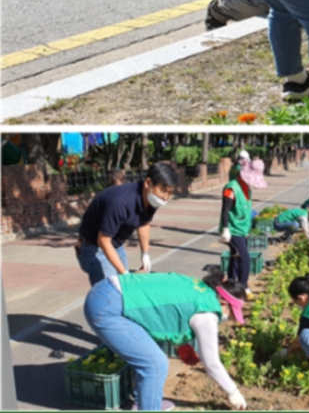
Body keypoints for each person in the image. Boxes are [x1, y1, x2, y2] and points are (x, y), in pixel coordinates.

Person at [83, 271, 248, 411]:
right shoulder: (208, 313)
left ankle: (145, 401)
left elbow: (166, 311)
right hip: (108, 308)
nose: (229, 319)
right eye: (232, 315)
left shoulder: (202, 290)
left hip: (107, 292)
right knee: (155, 364)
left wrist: (181, 344)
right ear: (223, 303)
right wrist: (233, 392)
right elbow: (211, 362)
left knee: (152, 352)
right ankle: (148, 406)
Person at [75, 163, 179, 286]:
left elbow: (143, 222)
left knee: (126, 290)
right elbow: (103, 241)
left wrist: (145, 254)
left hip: (115, 245)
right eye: (163, 190)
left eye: (170, 192)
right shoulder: (121, 202)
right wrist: (124, 273)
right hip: (94, 247)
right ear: (148, 183)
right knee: (111, 294)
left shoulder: (150, 198)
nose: (166, 197)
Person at [219, 158, 267, 287]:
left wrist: (247, 230)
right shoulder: (231, 188)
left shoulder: (247, 189)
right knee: (244, 258)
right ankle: (243, 286)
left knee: (236, 256)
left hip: (242, 229)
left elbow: (246, 212)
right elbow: (225, 210)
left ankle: (231, 283)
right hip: (232, 229)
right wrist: (225, 229)